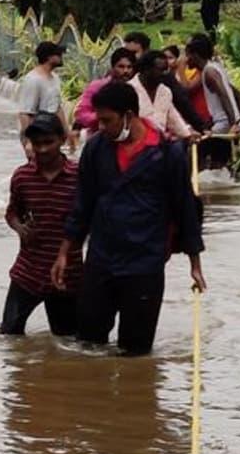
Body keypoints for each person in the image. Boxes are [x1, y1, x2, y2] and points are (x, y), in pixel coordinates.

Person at [53, 81, 207, 356]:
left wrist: (195, 265)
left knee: (136, 351)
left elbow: (184, 208)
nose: (101, 127)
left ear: (128, 115)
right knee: (87, 344)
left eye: (106, 120)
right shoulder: (96, 149)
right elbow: (82, 204)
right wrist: (64, 253)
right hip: (101, 258)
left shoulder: (167, 153)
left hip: (145, 262)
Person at [0, 112, 81, 337]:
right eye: (37, 144)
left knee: (67, 342)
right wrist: (19, 228)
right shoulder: (22, 177)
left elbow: (90, 218)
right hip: (28, 272)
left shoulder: (79, 176)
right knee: (9, 336)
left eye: (49, 142)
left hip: (67, 275)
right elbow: (11, 212)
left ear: (62, 140)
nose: (43, 149)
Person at [123, 31, 207, 132]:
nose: (128, 57)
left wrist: (198, 129)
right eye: (126, 53)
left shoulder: (164, 82)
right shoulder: (120, 78)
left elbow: (180, 107)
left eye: (134, 53)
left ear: (146, 52)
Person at [183, 35, 240, 170]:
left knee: (194, 150)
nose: (186, 61)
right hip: (225, 124)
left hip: (224, 124)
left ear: (195, 55)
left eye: (187, 55)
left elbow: (225, 96)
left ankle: (192, 186)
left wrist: (234, 124)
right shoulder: (217, 67)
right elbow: (239, 96)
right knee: (219, 164)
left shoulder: (210, 72)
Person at [130, 51, 197, 141]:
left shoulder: (165, 92)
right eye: (160, 70)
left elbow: (174, 119)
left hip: (160, 144)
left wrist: (188, 135)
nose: (165, 74)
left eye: (166, 70)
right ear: (146, 69)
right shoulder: (129, 90)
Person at [74, 48, 137, 137]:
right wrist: (104, 117)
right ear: (112, 67)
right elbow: (81, 114)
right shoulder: (97, 87)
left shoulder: (137, 89)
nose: (125, 71)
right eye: (121, 66)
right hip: (99, 138)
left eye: (129, 67)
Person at [18, 41, 65, 156]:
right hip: (37, 133)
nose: (61, 57)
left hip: (52, 132)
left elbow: (57, 107)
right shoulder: (33, 79)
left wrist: (65, 132)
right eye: (58, 54)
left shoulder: (55, 78)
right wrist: (28, 141)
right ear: (49, 57)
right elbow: (25, 113)